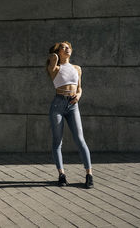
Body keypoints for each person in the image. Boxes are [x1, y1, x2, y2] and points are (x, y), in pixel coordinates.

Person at [46, 41, 94, 189]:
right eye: (63, 48)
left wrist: (78, 96)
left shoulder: (77, 68)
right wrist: (54, 55)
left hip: (73, 105)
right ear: (59, 52)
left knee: (80, 139)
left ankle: (89, 174)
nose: (67, 49)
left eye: (68, 47)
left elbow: (79, 88)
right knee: (57, 142)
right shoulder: (55, 67)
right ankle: (61, 175)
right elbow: (52, 64)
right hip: (58, 104)